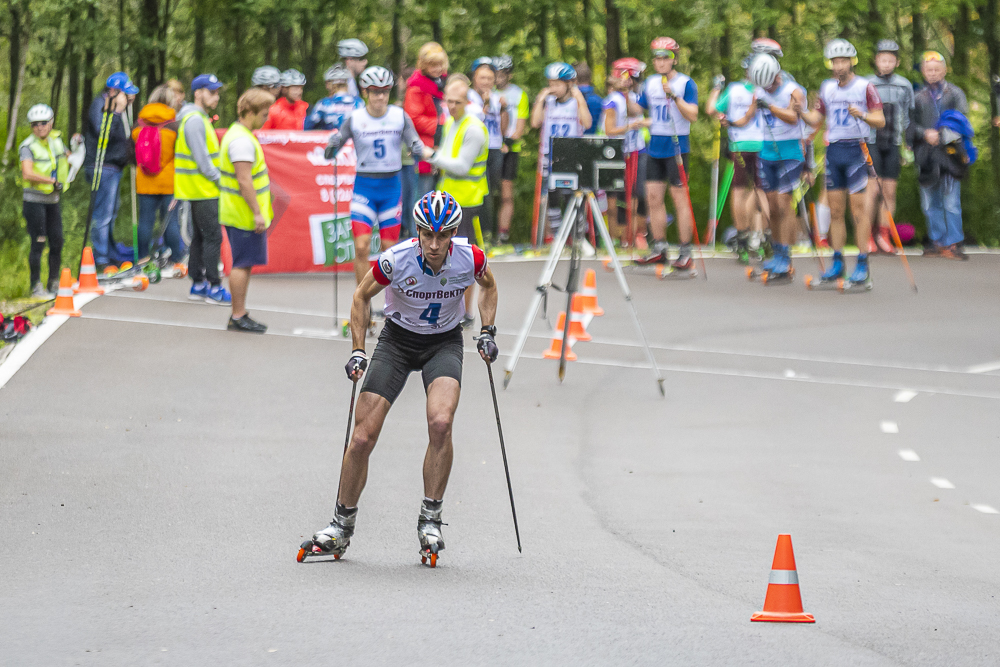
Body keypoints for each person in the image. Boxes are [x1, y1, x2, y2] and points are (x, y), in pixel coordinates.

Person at [299, 191, 498, 566]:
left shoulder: (471, 258)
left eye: (443, 236)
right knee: (361, 437)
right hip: (397, 341)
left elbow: (489, 287)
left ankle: (431, 520)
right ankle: (341, 525)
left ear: (453, 233)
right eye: (427, 235)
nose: (435, 245)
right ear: (418, 232)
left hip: (443, 342)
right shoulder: (395, 260)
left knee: (441, 422)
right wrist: (358, 349)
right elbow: (361, 297)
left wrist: (487, 330)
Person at [324, 66, 424, 295]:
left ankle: (392, 300)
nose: (380, 96)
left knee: (390, 250)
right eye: (374, 91)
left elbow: (415, 144)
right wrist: (333, 144)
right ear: (365, 92)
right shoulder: (355, 118)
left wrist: (418, 149)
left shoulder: (399, 116)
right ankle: (363, 299)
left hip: (391, 188)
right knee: (361, 247)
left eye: (384, 91)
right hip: (365, 187)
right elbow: (330, 154)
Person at [800, 39, 885, 285]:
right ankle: (837, 263)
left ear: (852, 62)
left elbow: (880, 120)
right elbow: (816, 117)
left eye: (843, 61)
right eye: (835, 61)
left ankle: (862, 264)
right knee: (836, 210)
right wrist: (800, 111)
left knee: (858, 211)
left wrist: (864, 115)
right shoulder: (827, 87)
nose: (839, 66)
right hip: (834, 150)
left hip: (856, 149)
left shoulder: (864, 86)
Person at [629, 37, 699, 270]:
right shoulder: (649, 83)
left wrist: (675, 97)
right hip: (655, 146)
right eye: (657, 59)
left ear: (673, 60)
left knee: (680, 198)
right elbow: (637, 108)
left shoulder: (685, 83)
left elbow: (693, 115)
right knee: (653, 198)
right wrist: (625, 91)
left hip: (677, 145)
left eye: (664, 58)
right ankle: (659, 248)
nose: (660, 63)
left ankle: (685, 250)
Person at [426, 75, 489, 326]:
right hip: (450, 200)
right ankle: (452, 308)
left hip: (470, 201)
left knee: (467, 259)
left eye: (456, 102)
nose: (451, 107)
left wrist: (431, 156)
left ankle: (466, 313)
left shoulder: (473, 128)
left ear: (467, 102)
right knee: (444, 257)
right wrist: (436, 158)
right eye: (448, 102)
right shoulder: (453, 122)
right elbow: (445, 155)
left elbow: (461, 166)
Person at [750, 54, 817, 279]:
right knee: (770, 205)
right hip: (766, 150)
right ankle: (777, 252)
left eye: (769, 85)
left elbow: (792, 117)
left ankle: (786, 257)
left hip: (789, 152)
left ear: (776, 76)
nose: (766, 89)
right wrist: (730, 120)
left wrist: (769, 105)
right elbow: (749, 114)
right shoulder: (759, 90)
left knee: (783, 204)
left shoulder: (794, 90)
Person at [219, 88, 276, 333]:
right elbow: (244, 181)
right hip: (242, 215)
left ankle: (239, 313)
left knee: (245, 263)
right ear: (249, 112)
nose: (266, 119)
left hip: (239, 213)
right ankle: (238, 315)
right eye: (263, 114)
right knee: (241, 264)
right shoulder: (241, 141)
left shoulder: (239, 134)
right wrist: (256, 212)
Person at [908, 51, 969, 260]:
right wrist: (924, 133)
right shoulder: (917, 97)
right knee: (929, 201)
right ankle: (937, 240)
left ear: (944, 70)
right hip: (926, 154)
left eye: (936, 69)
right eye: (928, 69)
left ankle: (953, 242)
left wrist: (942, 134)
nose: (932, 73)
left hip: (951, 154)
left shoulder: (956, 93)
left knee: (951, 200)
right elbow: (909, 125)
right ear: (923, 72)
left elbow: (963, 121)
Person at [176, 73, 229, 304]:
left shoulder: (197, 118)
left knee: (200, 237)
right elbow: (204, 161)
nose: (216, 96)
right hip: (204, 189)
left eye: (217, 92)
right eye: (211, 92)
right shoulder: (196, 120)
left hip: (198, 189)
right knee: (212, 237)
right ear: (198, 93)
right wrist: (222, 181)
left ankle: (198, 283)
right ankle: (214, 286)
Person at [706, 58, 763, 266]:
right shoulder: (765, 90)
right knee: (759, 191)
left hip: (739, 144)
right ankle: (752, 235)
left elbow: (712, 109)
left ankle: (744, 235)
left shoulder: (735, 89)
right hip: (759, 144)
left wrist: (716, 88)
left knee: (740, 190)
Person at [530, 62, 592, 238]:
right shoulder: (549, 102)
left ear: (569, 84)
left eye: (557, 84)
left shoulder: (576, 102)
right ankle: (558, 236)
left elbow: (587, 123)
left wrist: (579, 99)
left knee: (572, 196)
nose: (553, 88)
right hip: (550, 156)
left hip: (572, 156)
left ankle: (578, 235)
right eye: (551, 84)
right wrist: (540, 99)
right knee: (552, 196)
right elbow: (535, 123)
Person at [83, 71, 138, 270]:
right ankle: (101, 258)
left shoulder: (118, 106)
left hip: (114, 167)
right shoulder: (101, 104)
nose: (129, 97)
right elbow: (102, 133)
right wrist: (115, 112)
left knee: (111, 213)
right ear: (114, 91)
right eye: (126, 93)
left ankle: (111, 252)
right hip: (102, 166)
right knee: (103, 215)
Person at [866, 40, 915, 255]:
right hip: (872, 141)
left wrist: (909, 143)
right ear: (876, 60)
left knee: (889, 191)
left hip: (893, 143)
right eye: (882, 59)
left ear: (897, 62)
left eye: (890, 60)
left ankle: (883, 234)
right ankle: (867, 234)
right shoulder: (866, 83)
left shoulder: (904, 85)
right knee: (872, 190)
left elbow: (907, 116)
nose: (886, 64)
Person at [131, 84, 185, 269]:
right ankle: (175, 258)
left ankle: (143, 259)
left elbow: (132, 153)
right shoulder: (174, 124)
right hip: (169, 181)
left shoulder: (138, 124)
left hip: (144, 181)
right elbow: (180, 153)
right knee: (170, 220)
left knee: (145, 220)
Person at [20, 104, 71, 298]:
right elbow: (27, 172)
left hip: (53, 199)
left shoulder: (56, 141)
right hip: (34, 201)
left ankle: (54, 283)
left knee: (57, 241)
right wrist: (50, 181)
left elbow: (69, 159)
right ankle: (35, 286)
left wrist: (78, 148)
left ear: (51, 123)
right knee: (38, 242)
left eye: (43, 123)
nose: (39, 127)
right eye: (35, 124)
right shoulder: (28, 146)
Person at [602, 61, 650, 242]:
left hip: (637, 149)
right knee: (617, 197)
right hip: (616, 151)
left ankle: (637, 235)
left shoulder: (636, 98)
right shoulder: (612, 100)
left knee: (639, 193)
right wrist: (631, 126)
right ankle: (617, 237)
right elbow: (609, 130)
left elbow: (636, 112)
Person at [468, 57, 508, 243]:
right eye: (482, 78)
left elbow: (502, 123)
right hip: (477, 149)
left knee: (492, 192)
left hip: (494, 147)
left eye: (490, 78)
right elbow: (474, 121)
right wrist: (484, 104)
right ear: (474, 78)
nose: (486, 82)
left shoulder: (497, 97)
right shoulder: (469, 97)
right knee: (479, 192)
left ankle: (489, 233)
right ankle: (476, 233)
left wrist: (503, 110)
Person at [493, 54, 530, 243]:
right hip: (489, 148)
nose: (499, 77)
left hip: (510, 148)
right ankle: (484, 232)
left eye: (503, 74)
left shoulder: (519, 94)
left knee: (506, 194)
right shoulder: (487, 92)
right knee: (488, 193)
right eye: (496, 73)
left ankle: (503, 234)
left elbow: (520, 127)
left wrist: (507, 142)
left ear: (509, 74)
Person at [405, 42, 449, 197]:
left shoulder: (443, 85)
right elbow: (413, 119)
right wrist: (441, 124)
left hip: (442, 146)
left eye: (440, 64)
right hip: (424, 149)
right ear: (424, 65)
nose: (437, 68)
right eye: (432, 65)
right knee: (423, 196)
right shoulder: (416, 88)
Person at [304, 65, 363, 131]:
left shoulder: (324, 104)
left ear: (332, 85)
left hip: (330, 140)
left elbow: (307, 126)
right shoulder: (359, 103)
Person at [399, 67, 419, 240]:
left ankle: (412, 234)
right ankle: (403, 231)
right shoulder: (395, 108)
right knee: (402, 199)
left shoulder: (417, 101)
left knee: (412, 198)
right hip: (397, 162)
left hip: (411, 160)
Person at [573, 62, 604, 136]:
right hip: (595, 142)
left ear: (574, 80)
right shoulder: (600, 101)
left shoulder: (569, 100)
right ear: (590, 79)